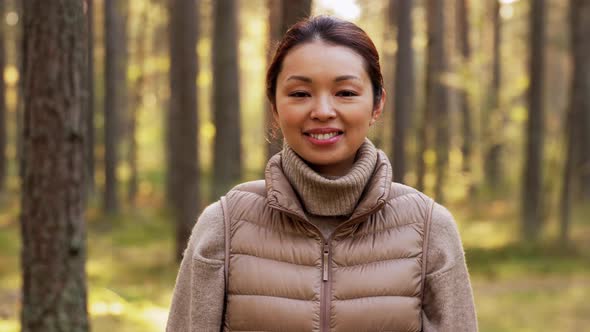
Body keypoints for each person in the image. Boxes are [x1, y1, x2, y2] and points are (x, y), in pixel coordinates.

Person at [166, 16, 477, 332]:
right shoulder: (224, 226)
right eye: (300, 93)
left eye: (345, 92)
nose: (323, 111)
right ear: (274, 104)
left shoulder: (429, 229)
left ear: (377, 103)